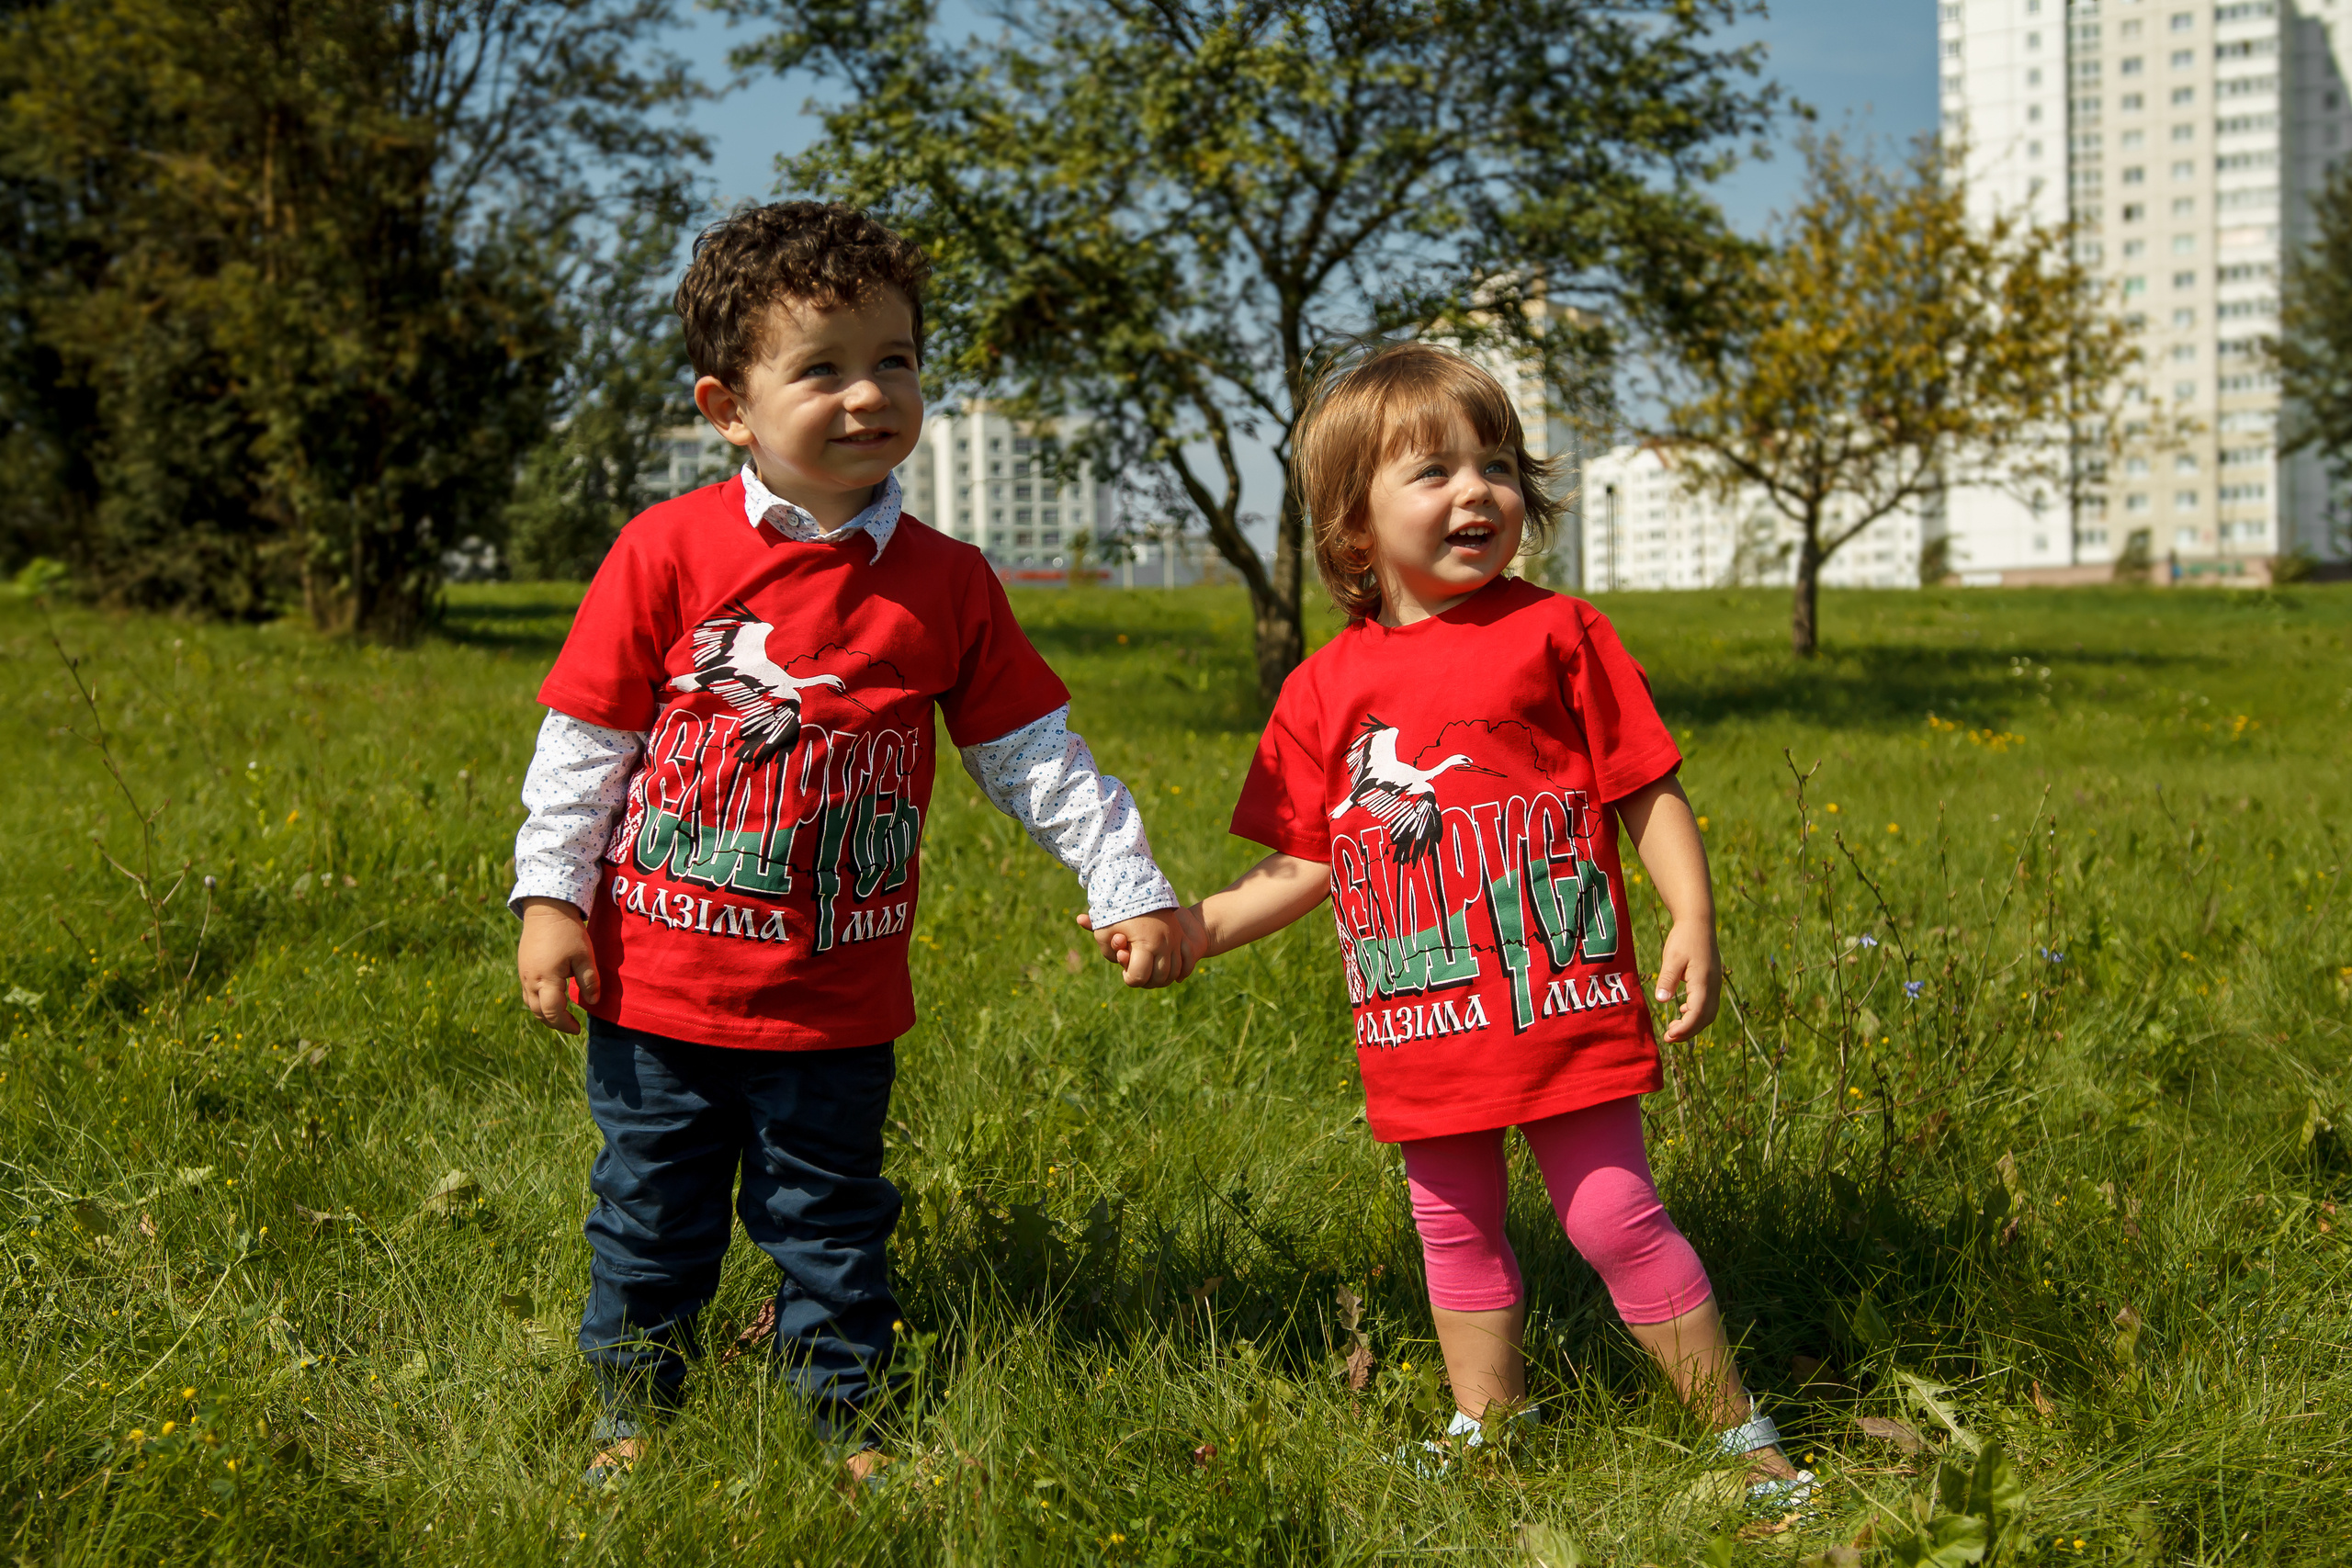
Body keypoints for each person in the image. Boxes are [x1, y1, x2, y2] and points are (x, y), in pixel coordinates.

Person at [509, 201, 1203, 1485]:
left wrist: (1127, 876)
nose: (866, 394)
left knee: (829, 1218)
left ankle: (849, 1421)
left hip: (837, 996)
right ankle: (630, 1414)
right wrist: (551, 895)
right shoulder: (665, 552)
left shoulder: (946, 580)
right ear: (730, 405)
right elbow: (586, 742)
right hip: (661, 985)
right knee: (650, 1212)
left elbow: (1035, 752)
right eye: (820, 367)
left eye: (894, 361)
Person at [1162, 341, 1807, 1504]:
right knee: (1450, 1230)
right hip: (1422, 1021)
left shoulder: (1560, 632)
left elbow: (1642, 786)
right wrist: (1197, 927)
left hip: (1559, 998)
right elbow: (1304, 858)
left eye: (1497, 464)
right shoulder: (1322, 688)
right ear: (1353, 531)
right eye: (1434, 471)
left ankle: (1737, 1437)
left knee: (1615, 1217)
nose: (1478, 492)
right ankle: (1487, 1423)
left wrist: (1692, 914)